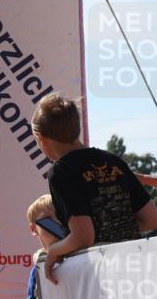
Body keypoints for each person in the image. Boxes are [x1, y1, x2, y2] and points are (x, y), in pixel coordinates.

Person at [31, 94, 157, 284]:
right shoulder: (113, 160)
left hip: (100, 274)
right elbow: (151, 219)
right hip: (134, 265)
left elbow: (83, 237)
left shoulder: (61, 172)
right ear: (77, 128)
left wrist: (53, 251)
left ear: (42, 139)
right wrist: (116, 228)